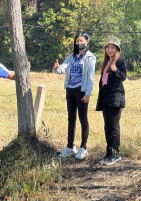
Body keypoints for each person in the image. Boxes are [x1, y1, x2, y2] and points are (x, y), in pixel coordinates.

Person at [54, 32, 96, 160]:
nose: (79, 43)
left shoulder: (90, 57)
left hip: (81, 90)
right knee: (71, 118)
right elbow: (63, 68)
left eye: (81, 40)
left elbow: (90, 77)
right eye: (77, 41)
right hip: (70, 90)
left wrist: (88, 93)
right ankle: (70, 146)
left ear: (87, 42)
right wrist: (57, 68)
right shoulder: (72, 56)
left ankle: (83, 147)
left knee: (83, 118)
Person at [96, 36, 126, 166]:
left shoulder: (120, 62)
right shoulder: (105, 62)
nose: (110, 50)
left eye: (112, 48)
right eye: (108, 47)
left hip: (115, 98)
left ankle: (115, 153)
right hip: (105, 98)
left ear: (117, 49)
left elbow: (123, 77)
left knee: (114, 126)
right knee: (107, 126)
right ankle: (108, 152)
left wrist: (116, 70)